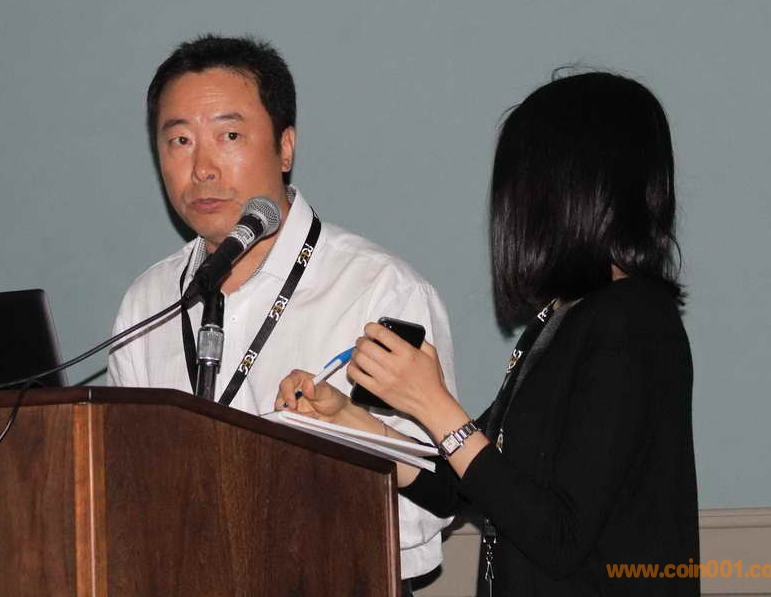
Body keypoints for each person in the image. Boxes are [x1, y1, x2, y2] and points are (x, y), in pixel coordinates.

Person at [278, 71, 699, 595]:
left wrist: (433, 404)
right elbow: (459, 485)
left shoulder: (633, 321)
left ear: (575, 187)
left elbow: (560, 536)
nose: (511, 200)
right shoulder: (562, 317)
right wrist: (349, 421)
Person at [108, 34, 458, 588]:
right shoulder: (148, 302)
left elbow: (424, 514)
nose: (202, 168)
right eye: (179, 140)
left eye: (229, 136)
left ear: (285, 147)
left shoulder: (377, 290)